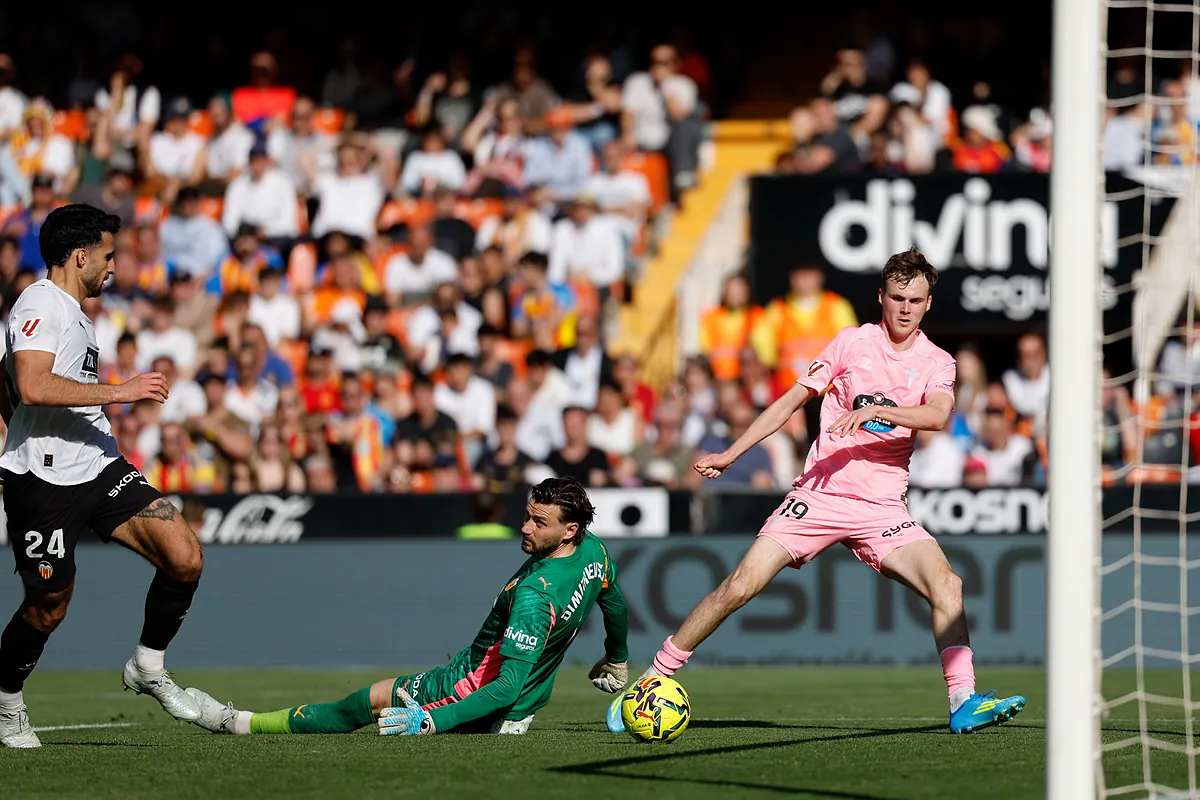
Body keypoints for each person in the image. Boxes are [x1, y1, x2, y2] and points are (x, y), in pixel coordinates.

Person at [607, 247, 1025, 736]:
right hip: (821, 494)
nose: (905, 308)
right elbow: (789, 401)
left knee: (948, 585)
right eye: (896, 297)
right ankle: (651, 681)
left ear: (929, 303)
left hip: (882, 508)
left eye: (915, 299)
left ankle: (963, 700)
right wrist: (730, 454)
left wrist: (876, 412)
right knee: (739, 586)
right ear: (881, 297)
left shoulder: (937, 362)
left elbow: (936, 416)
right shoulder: (851, 343)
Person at [185, 477, 629, 737]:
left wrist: (430, 720)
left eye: (539, 522)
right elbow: (615, 603)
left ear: (568, 530)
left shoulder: (537, 594)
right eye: (528, 514)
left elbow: (505, 688)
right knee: (370, 699)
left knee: (362, 702)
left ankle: (236, 722)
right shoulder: (593, 550)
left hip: (469, 691)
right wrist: (617, 657)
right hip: (521, 700)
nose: (524, 527)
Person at [0, 205, 206, 748]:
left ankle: (148, 665)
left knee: (184, 556)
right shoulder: (41, 302)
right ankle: (6, 701)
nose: (114, 267)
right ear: (80, 255)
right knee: (48, 608)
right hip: (43, 480)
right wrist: (121, 390)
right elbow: (32, 384)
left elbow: (9, 385)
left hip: (97, 463)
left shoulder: (74, 311)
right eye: (109, 255)